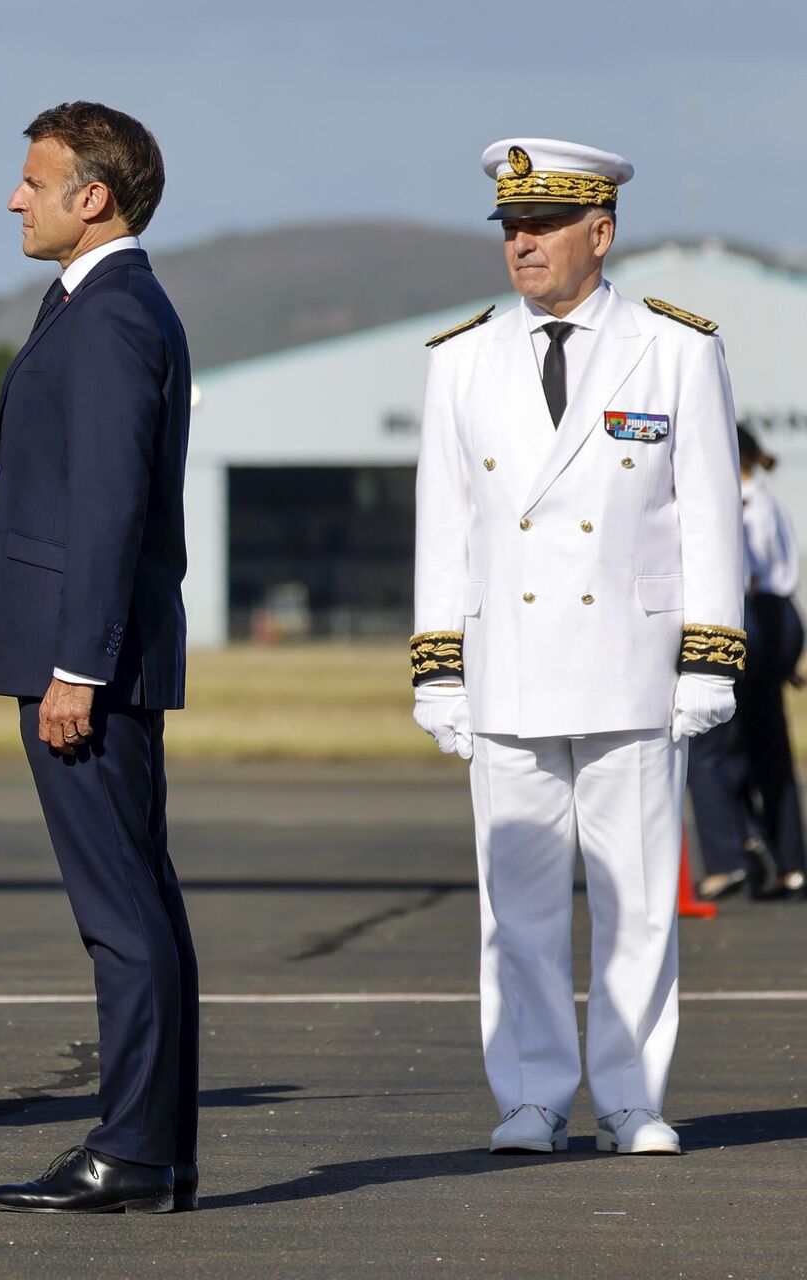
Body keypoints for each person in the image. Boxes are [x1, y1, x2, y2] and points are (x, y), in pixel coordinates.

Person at [412, 140, 745, 1157]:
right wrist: (439, 668)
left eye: (543, 226)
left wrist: (708, 656)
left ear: (600, 233)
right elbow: (446, 522)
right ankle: (532, 1091)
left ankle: (635, 1093)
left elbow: (706, 519)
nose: (522, 244)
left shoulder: (675, 346)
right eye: (511, 228)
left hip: (630, 660)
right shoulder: (460, 357)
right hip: (507, 661)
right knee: (516, 906)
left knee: (639, 899)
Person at [0, 102, 199, 1214]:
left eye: (34, 180)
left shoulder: (111, 313)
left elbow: (109, 507)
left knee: (122, 913)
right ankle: (152, 1144)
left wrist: (78, 666)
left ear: (92, 196)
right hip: (86, 655)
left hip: (86, 667)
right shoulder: (94, 302)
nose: (15, 198)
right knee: (134, 903)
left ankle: (135, 1148)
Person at [690, 426, 807, 899]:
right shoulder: (765, 498)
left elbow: (739, 577)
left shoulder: (733, 502)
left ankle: (731, 852)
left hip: (746, 618)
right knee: (768, 745)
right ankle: (789, 861)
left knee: (709, 742)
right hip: (780, 619)